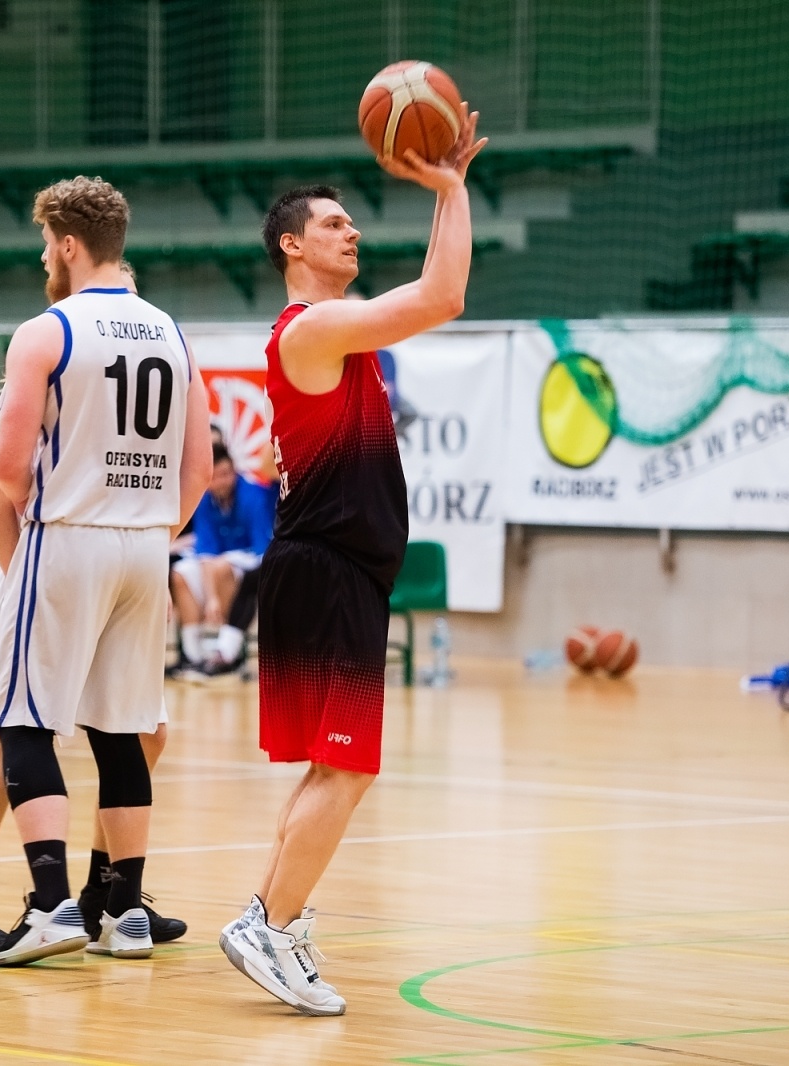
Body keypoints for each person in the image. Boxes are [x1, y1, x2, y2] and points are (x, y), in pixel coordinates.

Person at [218, 107, 485, 1016]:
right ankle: (268, 926)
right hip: (327, 570)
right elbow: (442, 296)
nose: (352, 230)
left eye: (351, 221)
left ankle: (270, 920)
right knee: (352, 767)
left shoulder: (339, 336)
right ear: (293, 245)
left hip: (327, 571)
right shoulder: (311, 330)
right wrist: (449, 187)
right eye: (333, 223)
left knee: (332, 769)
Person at [0, 177, 211, 969]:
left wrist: (33, 552)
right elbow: (198, 471)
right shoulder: (173, 335)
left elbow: (8, 469)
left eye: (45, 244)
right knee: (123, 730)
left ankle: (51, 904)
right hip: (146, 546)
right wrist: (146, 529)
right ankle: (123, 912)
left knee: (24, 723)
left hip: (66, 537)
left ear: (67, 244)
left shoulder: (45, 331)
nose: (43, 257)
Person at [171, 440, 276, 678]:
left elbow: (261, 549)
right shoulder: (205, 501)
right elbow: (206, 553)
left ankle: (226, 655)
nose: (222, 481)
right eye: (216, 476)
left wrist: (214, 600)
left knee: (222, 569)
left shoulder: (253, 495)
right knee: (180, 574)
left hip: (254, 556)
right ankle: (193, 656)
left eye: (226, 474)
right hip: (218, 560)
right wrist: (210, 599)